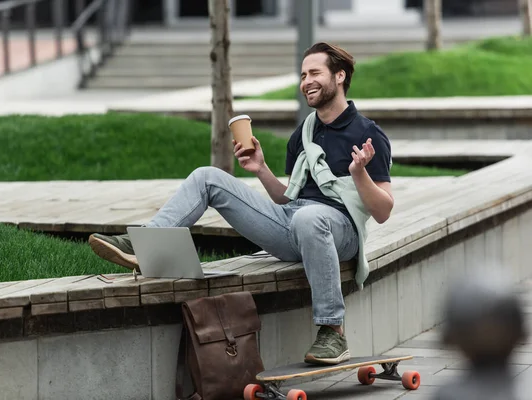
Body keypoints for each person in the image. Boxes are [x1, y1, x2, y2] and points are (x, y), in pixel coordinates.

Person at [88, 42, 394, 365]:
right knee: (208, 177)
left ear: (340, 76)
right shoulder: (303, 135)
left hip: (340, 231)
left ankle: (333, 331)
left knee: (310, 218)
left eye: (314, 72)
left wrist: (359, 174)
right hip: (294, 222)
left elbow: (384, 211)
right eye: (303, 75)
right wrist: (260, 169)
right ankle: (145, 241)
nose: (306, 81)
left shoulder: (367, 133)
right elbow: (288, 197)